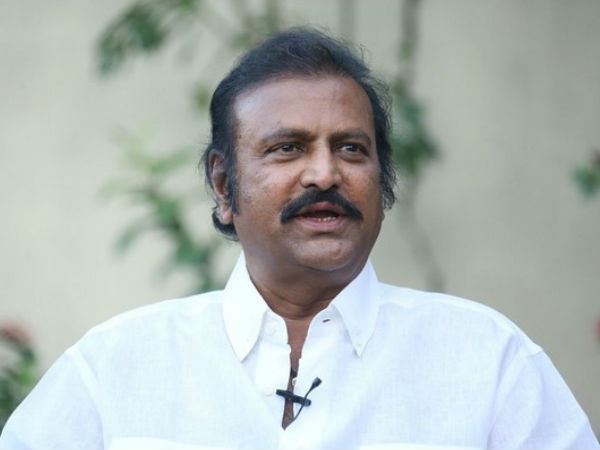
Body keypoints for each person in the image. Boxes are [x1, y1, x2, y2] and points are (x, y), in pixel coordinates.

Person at [1, 27, 598, 450]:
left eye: (351, 148)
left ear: (382, 181)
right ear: (224, 185)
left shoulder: (488, 363)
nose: (325, 174)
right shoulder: (115, 369)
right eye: (288, 148)